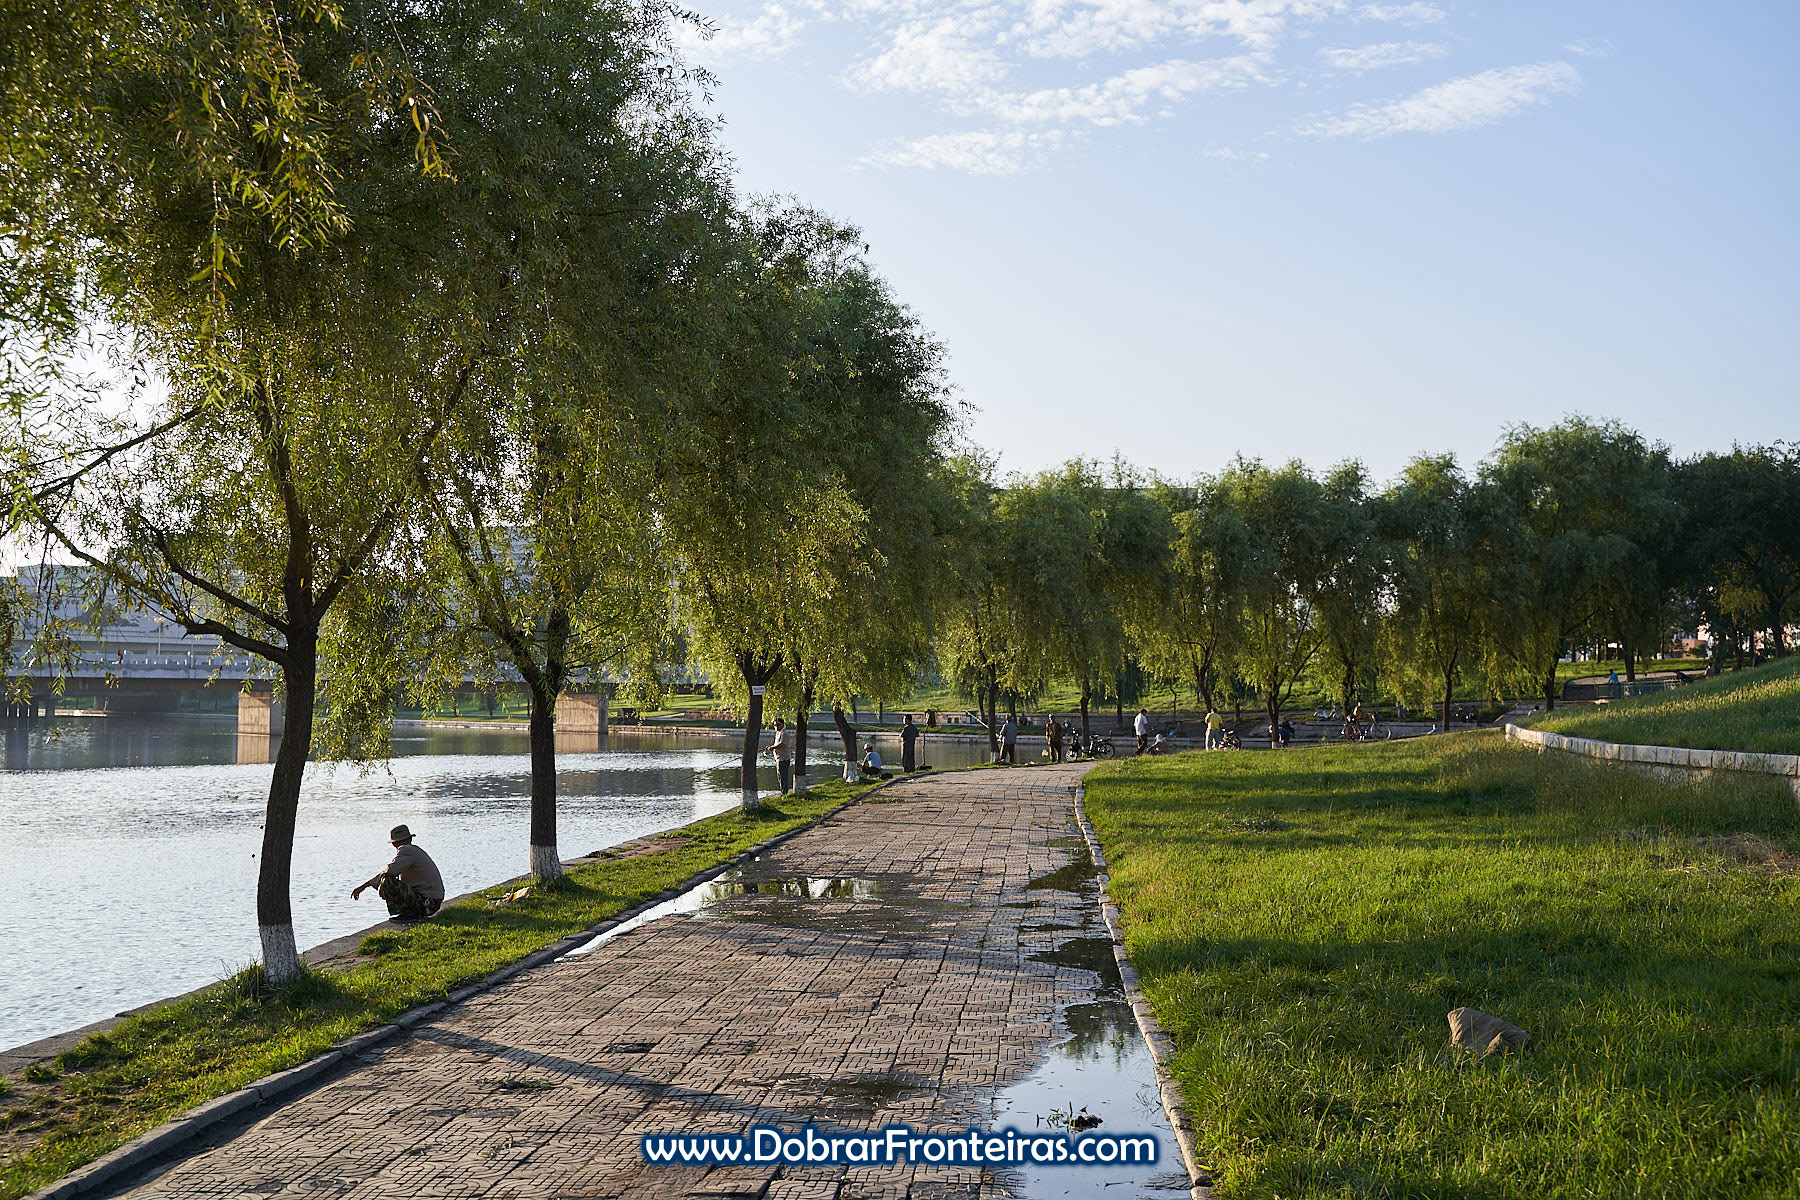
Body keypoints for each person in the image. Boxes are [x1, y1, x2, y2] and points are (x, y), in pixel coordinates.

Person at [352, 824, 445, 921]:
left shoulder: (406, 850)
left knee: (387, 880)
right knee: (387, 879)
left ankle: (410, 915)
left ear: (394, 844)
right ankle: (409, 913)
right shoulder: (414, 850)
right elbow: (391, 870)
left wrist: (372, 885)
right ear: (410, 839)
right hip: (431, 903)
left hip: (428, 904)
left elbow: (389, 871)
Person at [762, 715, 793, 794]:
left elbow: (781, 745)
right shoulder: (778, 733)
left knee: (783, 776)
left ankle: (784, 793)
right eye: (775, 725)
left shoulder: (784, 733)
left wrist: (772, 748)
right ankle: (783, 792)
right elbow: (776, 744)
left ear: (782, 724)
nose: (776, 726)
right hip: (779, 758)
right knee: (780, 776)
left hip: (783, 758)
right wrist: (770, 747)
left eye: (777, 725)